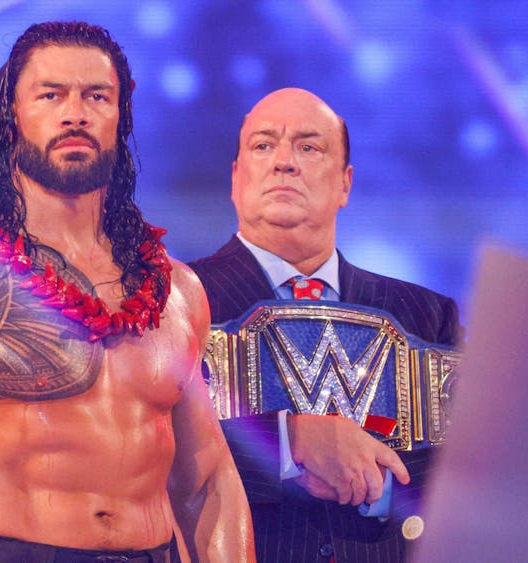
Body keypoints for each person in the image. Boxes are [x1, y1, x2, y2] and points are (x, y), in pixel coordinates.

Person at [0, 21, 254, 563]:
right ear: (11, 120)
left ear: (120, 118)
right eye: (50, 94)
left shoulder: (176, 292)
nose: (75, 113)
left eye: (96, 96)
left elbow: (205, 481)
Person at [188, 88, 461, 563]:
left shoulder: (427, 314)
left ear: (345, 184)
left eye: (308, 147)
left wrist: (370, 477)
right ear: (236, 178)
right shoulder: (175, 299)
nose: (284, 162)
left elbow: (467, 467)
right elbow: (151, 442)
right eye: (263, 145)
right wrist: (289, 445)